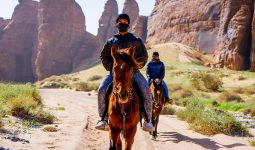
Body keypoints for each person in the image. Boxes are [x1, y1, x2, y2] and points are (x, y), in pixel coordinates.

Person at [95, 13, 155, 132]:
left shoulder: (136, 40)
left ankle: (147, 120)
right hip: (115, 74)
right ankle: (103, 118)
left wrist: (135, 65)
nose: (122, 23)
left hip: (134, 73)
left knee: (146, 89)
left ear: (128, 24)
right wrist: (112, 67)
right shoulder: (110, 42)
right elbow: (103, 56)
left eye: (125, 22)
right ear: (116, 24)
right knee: (102, 90)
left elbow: (144, 55)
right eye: (120, 22)